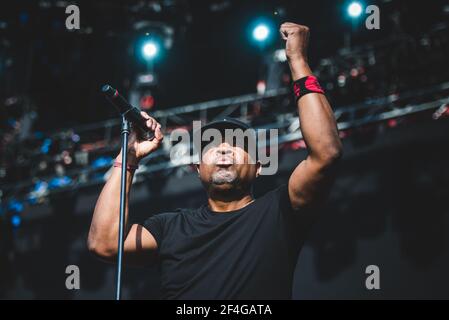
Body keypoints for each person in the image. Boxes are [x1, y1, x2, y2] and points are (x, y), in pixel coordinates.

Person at [88, 22, 342, 299]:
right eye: (211, 145)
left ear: (259, 167)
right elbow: (105, 243)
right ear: (197, 169)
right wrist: (129, 155)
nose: (223, 148)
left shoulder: (281, 210)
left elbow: (326, 152)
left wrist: (298, 61)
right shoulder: (170, 227)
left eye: (237, 143)